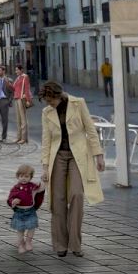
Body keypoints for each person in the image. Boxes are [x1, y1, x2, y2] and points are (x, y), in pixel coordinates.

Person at [40, 81, 105, 257]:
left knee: (77, 194)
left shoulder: (78, 103)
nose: (49, 104)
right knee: (58, 199)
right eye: (46, 101)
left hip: (78, 156)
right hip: (57, 156)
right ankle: (60, 244)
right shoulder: (46, 112)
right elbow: (46, 140)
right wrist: (45, 167)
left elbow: (90, 130)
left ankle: (75, 244)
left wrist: (99, 155)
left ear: (58, 96)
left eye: (50, 100)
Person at [7, 164, 43, 254]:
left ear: (30, 177)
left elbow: (40, 189)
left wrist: (43, 181)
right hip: (19, 212)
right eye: (21, 176)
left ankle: (28, 242)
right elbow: (10, 198)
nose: (24, 178)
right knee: (20, 230)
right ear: (18, 176)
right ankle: (20, 245)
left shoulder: (32, 186)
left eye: (26, 176)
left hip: (30, 211)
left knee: (32, 227)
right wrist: (13, 201)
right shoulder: (16, 188)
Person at [12, 64, 32, 144]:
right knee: (18, 119)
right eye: (16, 70)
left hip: (21, 99)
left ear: (21, 70)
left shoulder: (25, 77)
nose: (16, 71)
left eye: (17, 70)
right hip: (16, 99)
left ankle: (24, 138)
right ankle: (18, 137)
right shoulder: (18, 78)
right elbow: (14, 88)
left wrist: (28, 100)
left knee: (23, 119)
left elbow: (27, 89)